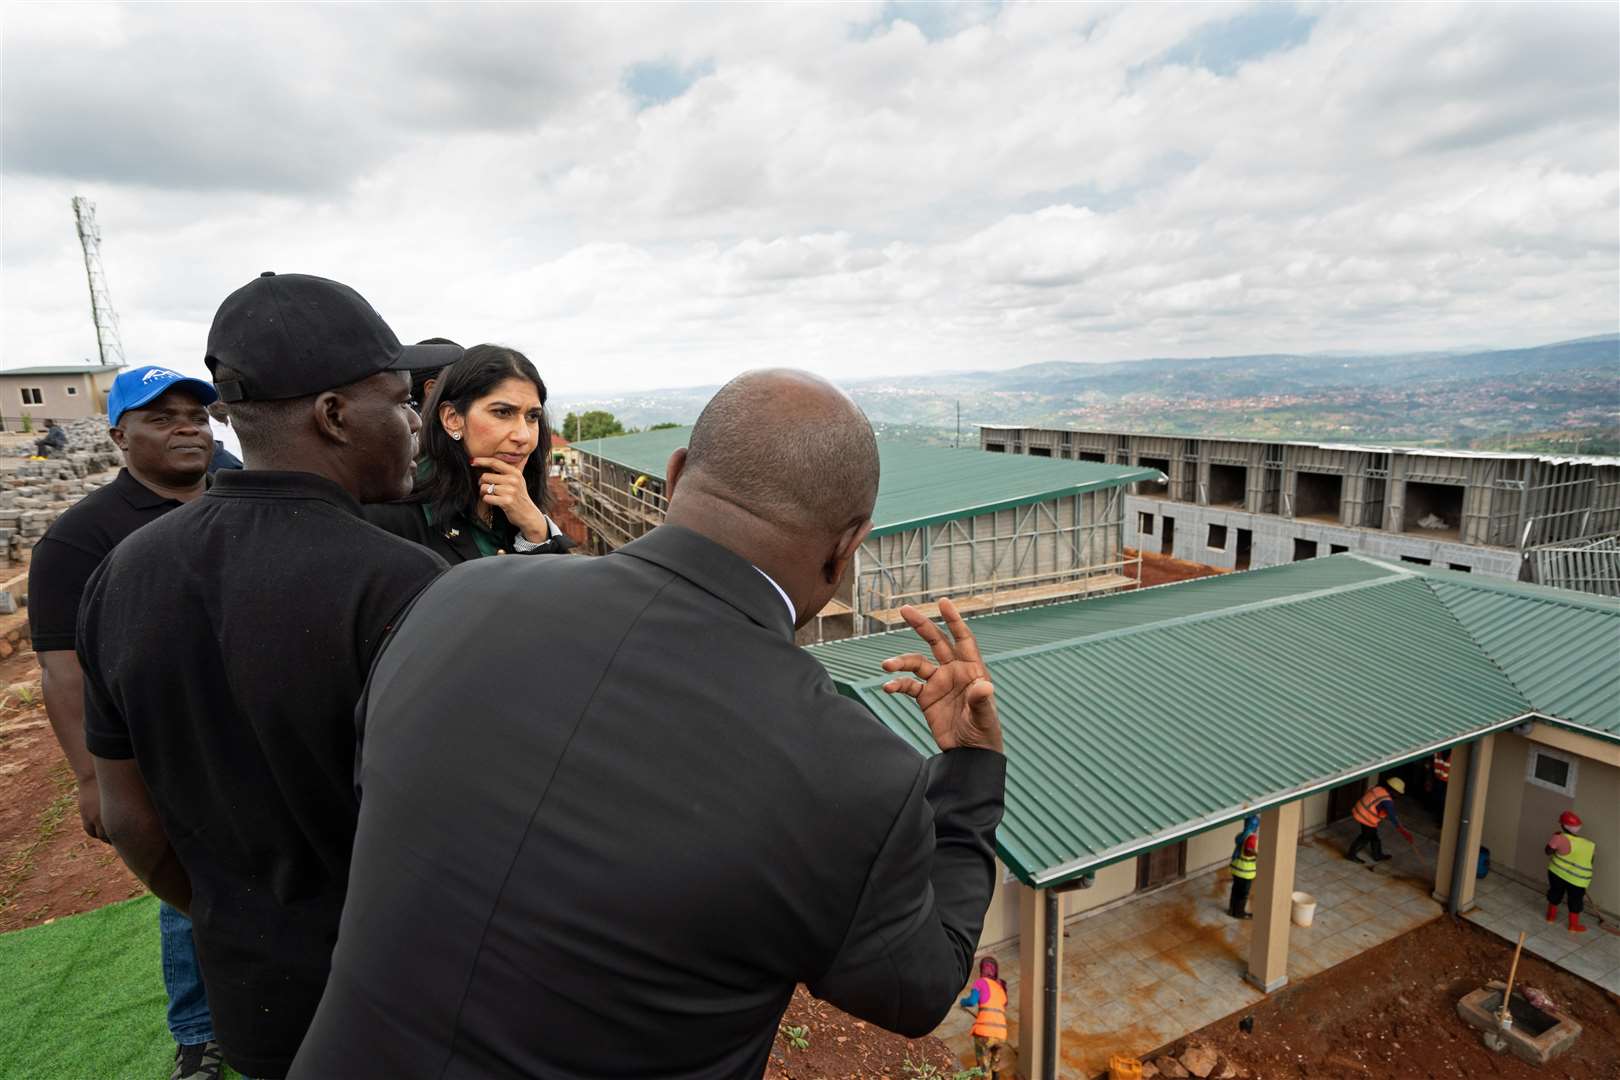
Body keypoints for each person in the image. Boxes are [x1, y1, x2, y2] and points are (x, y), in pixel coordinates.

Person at [292, 368, 1006, 1079]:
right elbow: (914, 991)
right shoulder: (852, 773)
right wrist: (970, 768)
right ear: (849, 543)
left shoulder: (454, 597)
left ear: (675, 474)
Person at [77, 272, 451, 1080]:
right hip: (408, 1000)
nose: (415, 422)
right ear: (335, 415)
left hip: (260, 1008)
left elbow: (131, 820)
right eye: (399, 399)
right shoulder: (403, 583)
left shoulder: (122, 575)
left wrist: (233, 916)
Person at [28, 366, 224, 1080]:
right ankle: (201, 1033)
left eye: (196, 417)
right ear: (119, 434)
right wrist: (89, 779)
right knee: (188, 892)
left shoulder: (238, 505)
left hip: (253, 731)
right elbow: (61, 668)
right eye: (162, 417)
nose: (186, 428)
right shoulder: (81, 539)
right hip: (157, 749)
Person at [364, 344, 573, 562]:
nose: (523, 435)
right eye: (502, 412)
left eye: (532, 416)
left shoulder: (519, 506)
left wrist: (536, 531)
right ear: (452, 419)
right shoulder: (392, 517)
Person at [1545, 810, 1595, 934]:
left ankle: (1550, 917)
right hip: (1578, 880)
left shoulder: (1559, 837)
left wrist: (1555, 838)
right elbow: (1591, 861)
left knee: (1555, 893)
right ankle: (1573, 926)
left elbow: (1548, 851)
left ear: (1562, 825)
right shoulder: (1590, 845)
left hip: (1557, 873)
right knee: (1575, 900)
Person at [960, 956, 1009, 1079]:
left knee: (984, 1070)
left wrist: (962, 1002)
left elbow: (972, 1001)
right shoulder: (1000, 988)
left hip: (985, 1034)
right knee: (995, 1065)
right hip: (1001, 1035)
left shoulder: (980, 982)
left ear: (982, 969)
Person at [1346, 776, 1412, 863]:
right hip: (1366, 818)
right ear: (1392, 790)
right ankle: (1351, 855)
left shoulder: (1378, 788)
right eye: (1397, 793)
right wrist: (1402, 829)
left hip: (1360, 811)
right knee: (1365, 837)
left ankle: (1377, 855)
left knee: (1374, 837)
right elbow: (1392, 816)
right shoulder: (1386, 800)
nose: (1397, 795)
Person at [1229, 816, 1261, 919]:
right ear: (1255, 826)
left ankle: (1232, 911)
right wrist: (1257, 854)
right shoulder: (1252, 837)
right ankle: (1239, 913)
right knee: (1243, 893)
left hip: (1237, 867)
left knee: (1235, 890)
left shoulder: (1242, 835)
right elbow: (1248, 850)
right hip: (1245, 872)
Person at [205, 403, 243, 474]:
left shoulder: (242, 423)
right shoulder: (206, 429)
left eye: (224, 397)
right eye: (218, 397)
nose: (222, 402)